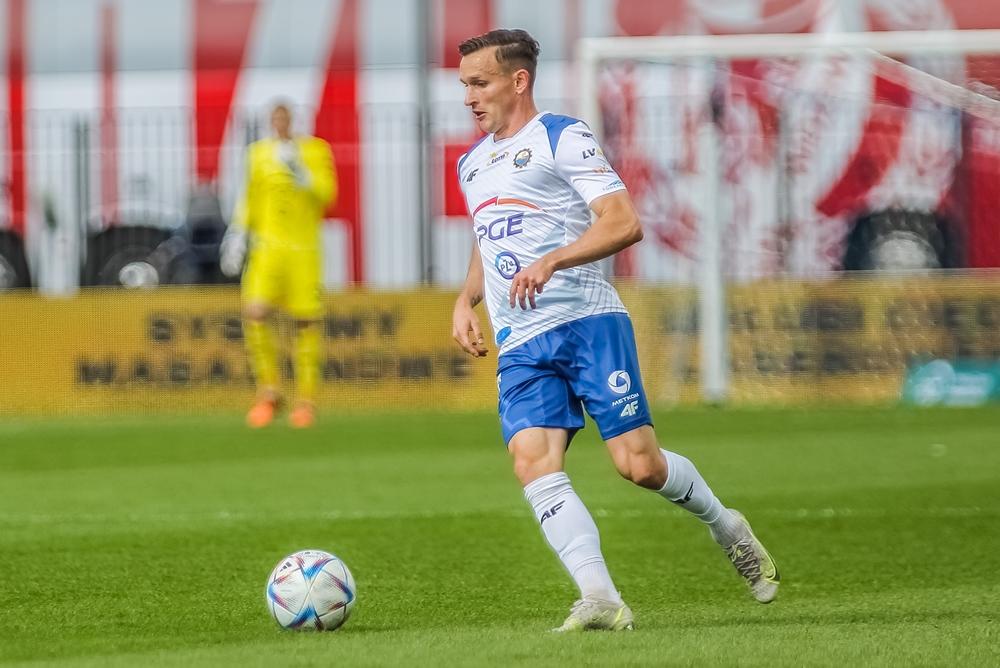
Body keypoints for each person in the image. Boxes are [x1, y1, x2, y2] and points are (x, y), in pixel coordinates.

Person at [451, 29, 779, 632]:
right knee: (532, 461)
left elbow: (623, 221)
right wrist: (464, 300)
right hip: (520, 341)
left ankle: (725, 524)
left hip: (587, 323)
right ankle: (600, 597)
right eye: (464, 85)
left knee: (639, 465)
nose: (469, 97)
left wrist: (554, 260)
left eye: (479, 83)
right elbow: (486, 234)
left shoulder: (562, 136)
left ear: (518, 81)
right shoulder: (471, 163)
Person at [220, 102, 336, 429]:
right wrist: (238, 233)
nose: (281, 123)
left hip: (303, 250)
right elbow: (250, 197)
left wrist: (303, 174)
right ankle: (269, 390)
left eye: (285, 118)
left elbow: (328, 195)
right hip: (267, 249)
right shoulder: (258, 154)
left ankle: (306, 401)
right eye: (276, 118)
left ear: (294, 120)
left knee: (305, 322)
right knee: (255, 312)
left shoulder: (315, 151)